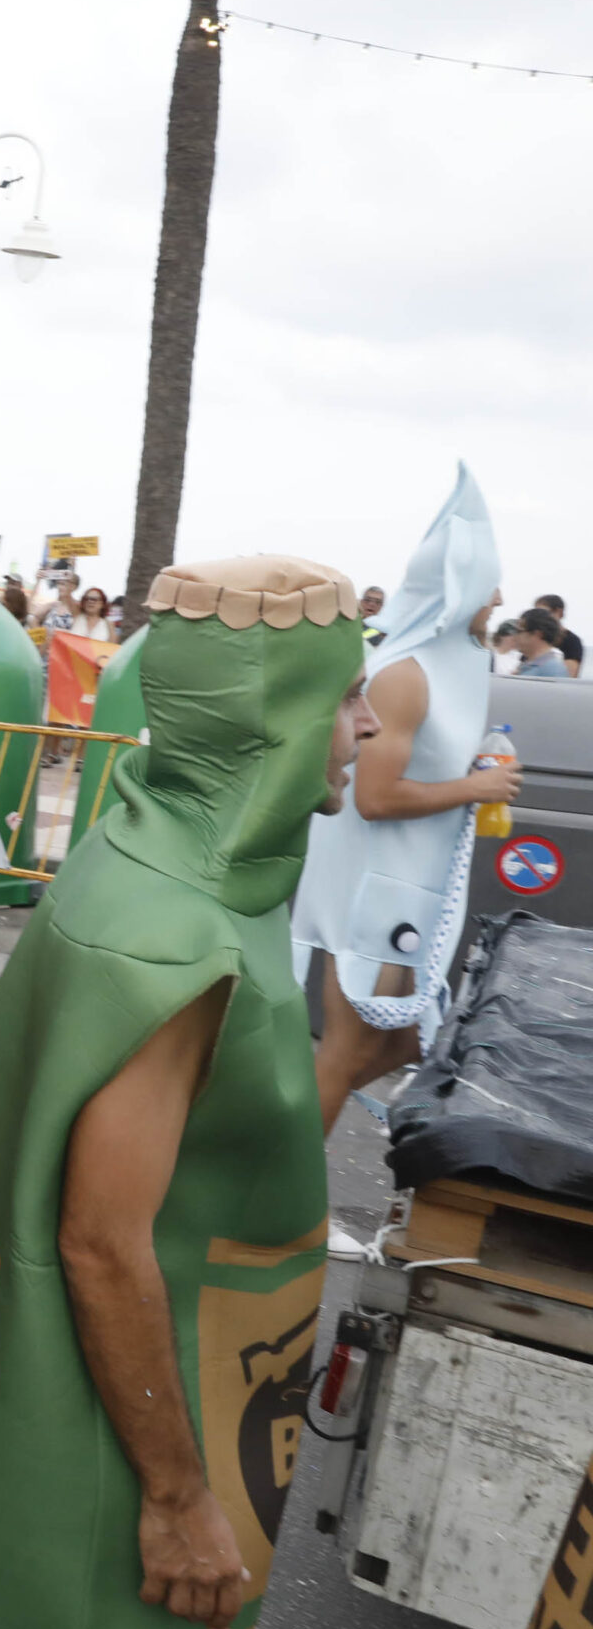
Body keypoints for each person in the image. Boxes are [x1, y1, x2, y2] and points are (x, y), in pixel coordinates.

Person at [0, 556, 380, 1629]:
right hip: (72, 1414)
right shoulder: (174, 937)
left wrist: (342, 1065)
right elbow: (104, 1241)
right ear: (274, 722)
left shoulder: (142, 844)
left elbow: (204, 1167)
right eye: (343, 699)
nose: (361, 727)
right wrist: (174, 1496)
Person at [294, 467, 514, 1131]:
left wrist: (470, 773)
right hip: (377, 896)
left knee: (402, 1041)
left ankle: (265, 1152)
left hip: (404, 895)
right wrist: (475, 787)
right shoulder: (406, 675)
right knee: (347, 1051)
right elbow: (377, 796)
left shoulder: (449, 668)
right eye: (491, 583)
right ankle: (268, 1213)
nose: (501, 595)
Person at [533, 594, 581, 676]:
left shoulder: (571, 640)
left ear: (559, 612)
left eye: (544, 613)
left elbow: (569, 674)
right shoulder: (537, 638)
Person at [515, 607, 571, 677]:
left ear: (538, 634)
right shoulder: (527, 666)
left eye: (519, 631)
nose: (515, 635)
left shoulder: (553, 669)